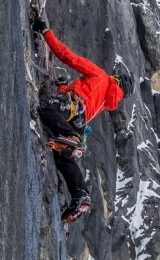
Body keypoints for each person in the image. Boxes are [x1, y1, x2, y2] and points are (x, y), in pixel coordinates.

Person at [33, 15, 134, 223]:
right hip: (78, 122)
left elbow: (68, 57)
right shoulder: (107, 103)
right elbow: (83, 104)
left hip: (71, 113)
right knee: (63, 156)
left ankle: (69, 137)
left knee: (46, 109)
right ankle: (80, 193)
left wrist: (45, 32)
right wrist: (62, 86)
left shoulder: (101, 76)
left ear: (117, 78)